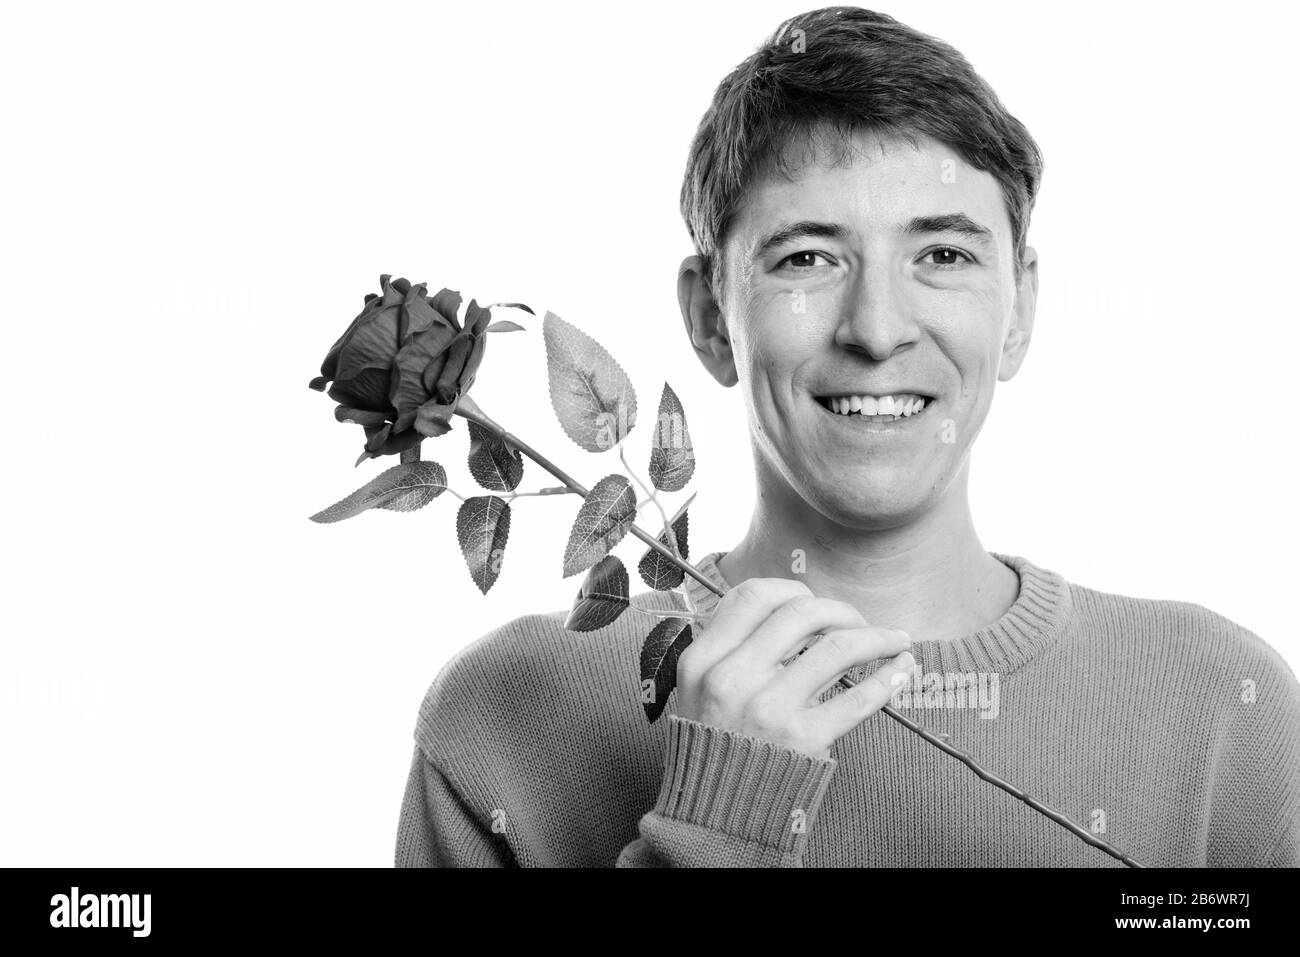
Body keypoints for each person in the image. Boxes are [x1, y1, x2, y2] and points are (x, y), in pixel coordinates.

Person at [395, 5, 1300, 867]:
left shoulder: (1223, 711)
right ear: (712, 318)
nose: (877, 328)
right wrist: (716, 821)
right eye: (808, 258)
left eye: (942, 255)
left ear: (1019, 307)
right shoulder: (502, 722)